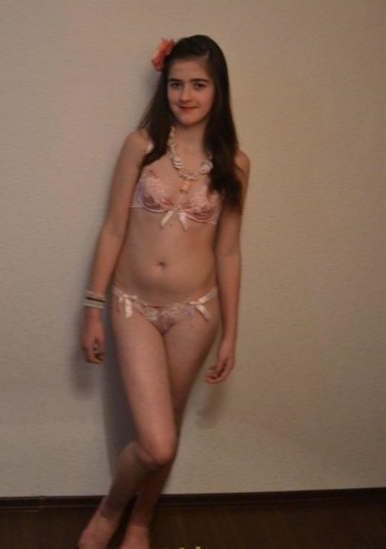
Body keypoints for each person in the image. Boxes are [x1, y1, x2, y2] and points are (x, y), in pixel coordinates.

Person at [78, 35, 250, 549]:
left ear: (218, 89)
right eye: (176, 84)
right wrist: (92, 308)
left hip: (195, 313)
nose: (186, 95)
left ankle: (141, 522)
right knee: (155, 443)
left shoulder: (235, 164)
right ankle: (110, 511)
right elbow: (113, 228)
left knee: (167, 433)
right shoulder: (142, 145)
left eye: (198, 84)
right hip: (132, 305)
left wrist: (231, 334)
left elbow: (228, 253)